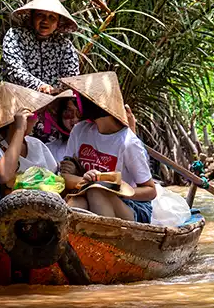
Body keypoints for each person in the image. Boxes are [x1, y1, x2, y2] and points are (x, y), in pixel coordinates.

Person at [59, 72, 156, 223]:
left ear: (96, 104)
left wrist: (118, 188)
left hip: (132, 206)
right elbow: (65, 176)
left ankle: (108, 241)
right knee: (78, 202)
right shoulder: (79, 131)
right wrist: (86, 180)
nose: (76, 103)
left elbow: (150, 191)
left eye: (80, 98)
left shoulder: (128, 143)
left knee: (96, 191)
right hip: (88, 194)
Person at [0, 83, 59, 222]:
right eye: (33, 114)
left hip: (36, 220)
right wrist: (19, 130)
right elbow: (3, 175)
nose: (37, 119)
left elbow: (55, 179)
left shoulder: (36, 145)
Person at [2, 0, 80, 94]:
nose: (45, 21)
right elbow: (13, 69)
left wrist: (60, 94)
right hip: (19, 98)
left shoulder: (64, 46)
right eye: (40, 15)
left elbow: (72, 79)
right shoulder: (16, 36)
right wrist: (40, 86)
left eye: (52, 17)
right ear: (32, 17)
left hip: (53, 101)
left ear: (58, 22)